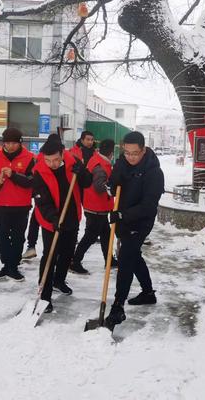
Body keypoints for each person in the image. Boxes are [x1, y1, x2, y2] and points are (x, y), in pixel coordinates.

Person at [104, 131, 164, 330]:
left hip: (140, 221)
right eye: (127, 152)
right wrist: (111, 186)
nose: (131, 157)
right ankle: (148, 293)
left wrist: (121, 215)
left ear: (144, 150)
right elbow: (114, 182)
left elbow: (148, 205)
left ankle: (118, 306)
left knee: (126, 257)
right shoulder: (122, 162)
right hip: (123, 217)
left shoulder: (154, 172)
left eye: (135, 153)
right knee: (133, 255)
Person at [32, 134, 92, 312]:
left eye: (56, 160)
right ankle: (44, 294)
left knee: (67, 253)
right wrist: (53, 218)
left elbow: (87, 182)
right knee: (50, 255)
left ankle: (60, 280)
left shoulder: (73, 161)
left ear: (62, 153)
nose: (52, 164)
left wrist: (82, 172)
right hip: (50, 219)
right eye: (48, 160)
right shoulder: (39, 171)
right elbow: (42, 201)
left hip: (71, 215)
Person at [0, 128, 35, 281]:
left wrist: (13, 175)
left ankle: (14, 266)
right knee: (2, 236)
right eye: (7, 143)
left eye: (14, 143)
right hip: (1, 204)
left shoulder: (29, 158)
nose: (10, 146)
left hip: (21, 205)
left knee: (18, 237)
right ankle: (6, 264)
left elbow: (31, 181)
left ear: (20, 143)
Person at [71, 139, 118, 274]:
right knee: (90, 236)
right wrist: (112, 188)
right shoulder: (100, 166)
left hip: (98, 207)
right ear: (110, 153)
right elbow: (99, 187)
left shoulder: (96, 159)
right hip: (96, 207)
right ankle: (75, 261)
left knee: (106, 235)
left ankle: (109, 259)